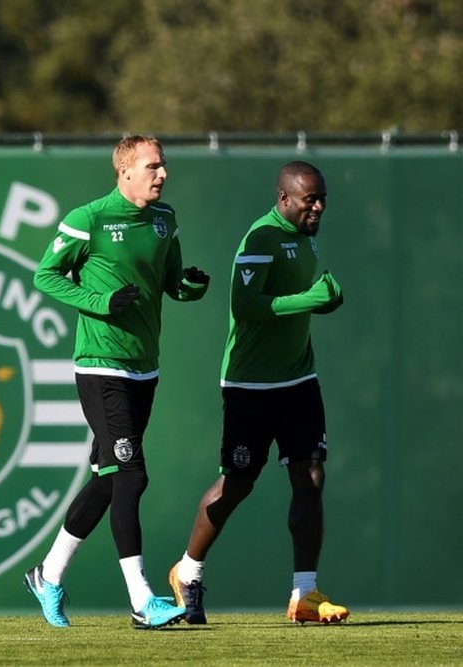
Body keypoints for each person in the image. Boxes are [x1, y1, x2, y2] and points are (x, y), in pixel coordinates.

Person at [24, 135, 210, 629]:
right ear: (124, 171)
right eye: (153, 166)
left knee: (108, 481)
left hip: (145, 366)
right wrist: (100, 303)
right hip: (101, 365)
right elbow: (46, 275)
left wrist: (189, 286)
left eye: (164, 165)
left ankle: (48, 575)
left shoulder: (164, 219)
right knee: (132, 475)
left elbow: (171, 282)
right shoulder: (89, 219)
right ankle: (142, 599)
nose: (162, 174)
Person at [167, 160, 349, 625]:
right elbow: (246, 307)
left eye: (322, 197)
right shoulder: (261, 238)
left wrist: (322, 301)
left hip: (299, 378)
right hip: (250, 385)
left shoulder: (305, 235)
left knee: (310, 477)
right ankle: (187, 572)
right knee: (237, 484)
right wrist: (312, 299)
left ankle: (304, 594)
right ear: (284, 198)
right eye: (310, 199)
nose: (319, 206)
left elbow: (294, 300)